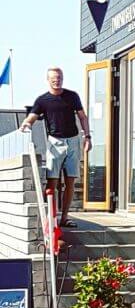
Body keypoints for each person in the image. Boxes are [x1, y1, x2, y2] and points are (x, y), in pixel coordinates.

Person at [21, 67, 91, 226]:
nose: (56, 80)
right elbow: (32, 117)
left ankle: (65, 218)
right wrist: (25, 124)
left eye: (59, 77)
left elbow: (82, 117)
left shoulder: (72, 96)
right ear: (48, 80)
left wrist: (87, 137)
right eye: (53, 78)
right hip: (55, 143)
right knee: (52, 182)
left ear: (62, 78)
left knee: (70, 181)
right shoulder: (42, 100)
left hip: (73, 141)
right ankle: (51, 219)